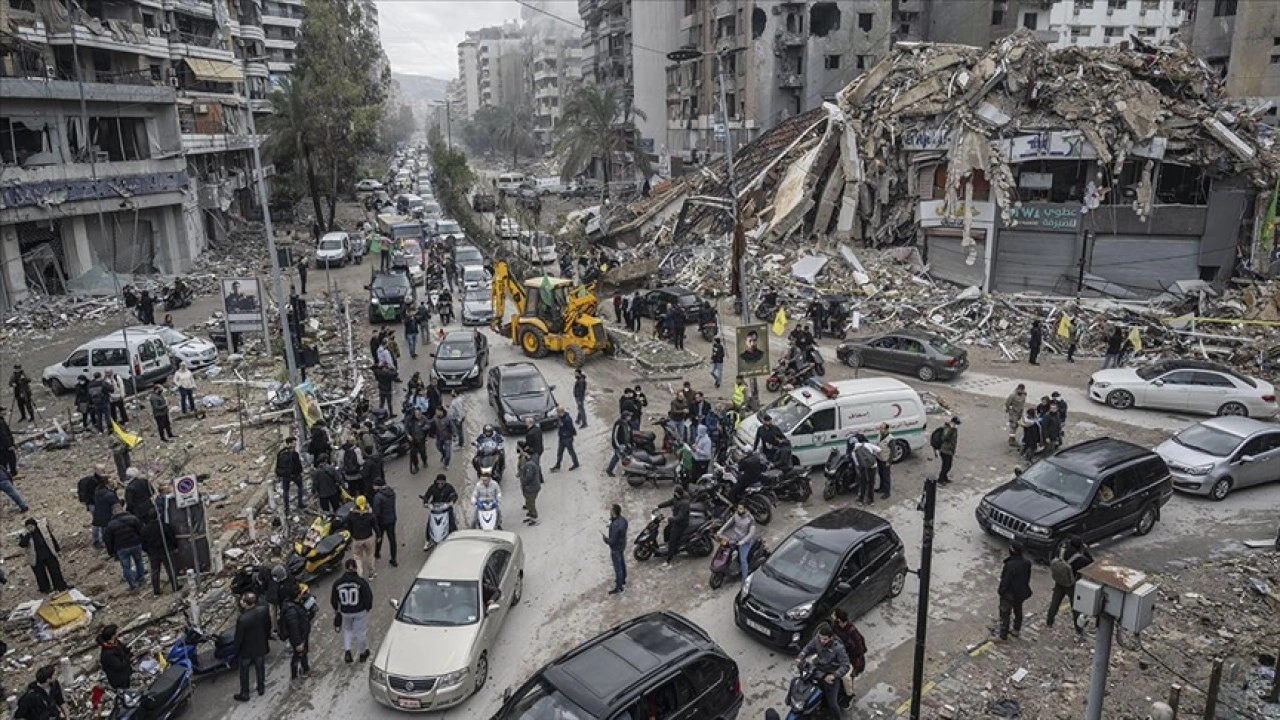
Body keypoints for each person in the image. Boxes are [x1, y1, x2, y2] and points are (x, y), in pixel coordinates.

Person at [795, 625, 851, 719]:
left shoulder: (838, 648)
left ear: (831, 638)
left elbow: (845, 665)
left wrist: (834, 675)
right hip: (817, 669)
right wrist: (800, 657)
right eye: (820, 638)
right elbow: (808, 648)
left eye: (824, 639)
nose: (821, 641)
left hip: (830, 673)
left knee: (832, 703)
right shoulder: (817, 639)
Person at [1046, 535, 1093, 637]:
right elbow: (1090, 562)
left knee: (1055, 603)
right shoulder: (1079, 559)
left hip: (1059, 582)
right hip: (1071, 585)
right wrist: (1085, 550)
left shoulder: (1061, 551)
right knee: (1075, 607)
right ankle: (1078, 629)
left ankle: (1049, 621)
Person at [332, 558, 373, 663]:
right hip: (360, 611)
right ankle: (362, 653)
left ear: (345, 568)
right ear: (356, 567)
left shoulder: (337, 583)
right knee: (361, 632)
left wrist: (336, 610)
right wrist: (367, 608)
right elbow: (368, 597)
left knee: (347, 630)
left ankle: (347, 651)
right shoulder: (361, 582)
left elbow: (334, 599)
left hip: (345, 611)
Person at [232, 593, 272, 700]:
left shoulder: (243, 619)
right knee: (260, 667)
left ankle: (245, 692)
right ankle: (261, 687)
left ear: (245, 604)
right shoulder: (263, 611)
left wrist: (235, 650)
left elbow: (239, 637)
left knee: (244, 671)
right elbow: (268, 625)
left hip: (246, 649)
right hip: (260, 645)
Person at [103, 504, 146, 591]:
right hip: (135, 544)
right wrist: (143, 542)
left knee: (126, 567)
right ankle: (141, 579)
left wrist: (111, 552)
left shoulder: (110, 525)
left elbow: (108, 540)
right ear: (122, 509)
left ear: (113, 513)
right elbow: (141, 530)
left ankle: (132, 585)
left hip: (121, 548)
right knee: (139, 561)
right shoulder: (132, 518)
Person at [19, 517, 67, 593]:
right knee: (40, 575)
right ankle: (45, 589)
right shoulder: (24, 534)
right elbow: (22, 544)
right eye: (28, 527)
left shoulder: (43, 529)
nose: (30, 528)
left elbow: (51, 538)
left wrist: (57, 549)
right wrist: (28, 535)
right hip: (35, 557)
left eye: (31, 526)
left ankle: (60, 586)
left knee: (55, 570)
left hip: (48, 552)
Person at [997, 542, 1034, 641]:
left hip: (1009, 594)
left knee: (1005, 613)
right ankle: (1016, 629)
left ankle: (1003, 635)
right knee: (1018, 611)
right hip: (1021, 593)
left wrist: (1001, 591)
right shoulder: (1027, 563)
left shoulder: (1010, 565)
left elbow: (1005, 581)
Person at [830, 609, 867, 700]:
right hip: (837, 654)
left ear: (839, 620)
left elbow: (859, 649)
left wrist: (845, 655)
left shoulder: (852, 632)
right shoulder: (835, 627)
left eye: (834, 616)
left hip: (851, 659)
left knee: (846, 678)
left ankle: (849, 696)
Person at [141, 509, 179, 595]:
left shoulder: (145, 530)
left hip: (153, 553)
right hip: (166, 550)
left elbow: (143, 544)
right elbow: (172, 537)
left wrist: (148, 551)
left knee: (155, 571)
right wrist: (175, 546)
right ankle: (175, 586)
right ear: (158, 515)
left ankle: (156, 590)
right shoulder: (164, 526)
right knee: (170, 569)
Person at [281, 585, 312, 687]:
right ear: (297, 596)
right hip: (298, 639)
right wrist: (299, 643)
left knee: (304, 652)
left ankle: (305, 669)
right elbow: (294, 629)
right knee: (297, 656)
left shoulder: (295, 604)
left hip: (302, 635)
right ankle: (294, 678)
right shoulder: (291, 611)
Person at [718, 503, 757, 581]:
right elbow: (729, 523)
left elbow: (751, 533)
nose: (739, 510)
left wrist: (743, 541)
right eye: (738, 508)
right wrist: (720, 531)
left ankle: (745, 579)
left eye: (741, 509)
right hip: (735, 538)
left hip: (745, 542)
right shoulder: (736, 515)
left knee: (743, 560)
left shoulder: (750, 520)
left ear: (746, 509)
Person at [656, 486, 691, 567]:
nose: (674, 494)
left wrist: (669, 519)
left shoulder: (684, 503)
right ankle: (667, 545)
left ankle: (668, 560)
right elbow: (670, 502)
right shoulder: (677, 498)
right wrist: (658, 506)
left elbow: (680, 516)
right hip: (675, 521)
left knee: (672, 540)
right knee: (666, 530)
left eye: (675, 493)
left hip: (681, 523)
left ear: (678, 494)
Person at [422, 473, 459, 541]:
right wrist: (425, 503)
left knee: (452, 522)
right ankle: (428, 540)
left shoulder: (449, 487)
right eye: (439, 483)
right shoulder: (432, 487)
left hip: (446, 507)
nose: (440, 485)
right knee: (430, 523)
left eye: (442, 483)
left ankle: (454, 536)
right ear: (436, 481)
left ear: (445, 482)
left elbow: (454, 495)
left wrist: (452, 502)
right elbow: (426, 496)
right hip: (435, 509)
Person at [371, 478, 398, 567]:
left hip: (381, 521)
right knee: (392, 539)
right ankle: (393, 558)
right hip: (391, 519)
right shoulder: (391, 492)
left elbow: (376, 512)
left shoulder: (378, 497)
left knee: (379, 536)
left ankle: (377, 552)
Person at [349, 495, 377, 579]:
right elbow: (375, 525)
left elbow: (346, 523)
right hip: (368, 538)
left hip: (357, 539)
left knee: (357, 557)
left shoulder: (352, 514)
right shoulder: (370, 514)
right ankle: (371, 573)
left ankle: (359, 574)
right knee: (370, 556)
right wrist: (378, 535)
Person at [98, 625, 133, 691]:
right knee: (124, 693)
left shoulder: (115, 642)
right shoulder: (108, 654)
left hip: (125, 674)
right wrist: (128, 656)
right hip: (119, 679)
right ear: (112, 636)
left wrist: (128, 650)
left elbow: (122, 649)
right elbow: (119, 666)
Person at [275, 437, 305, 511]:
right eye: (294, 443)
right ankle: (300, 504)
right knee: (300, 487)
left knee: (285, 491)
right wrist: (300, 472)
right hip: (295, 475)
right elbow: (298, 466)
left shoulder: (280, 452)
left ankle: (286, 507)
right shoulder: (294, 454)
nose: (295, 444)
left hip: (285, 476)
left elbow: (278, 465)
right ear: (290, 443)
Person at [605, 504, 627, 595]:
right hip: (622, 545)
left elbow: (612, 541)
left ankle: (619, 586)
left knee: (618, 568)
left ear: (614, 512)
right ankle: (623, 579)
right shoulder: (623, 520)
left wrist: (605, 539)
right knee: (622, 562)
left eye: (611, 510)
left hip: (615, 548)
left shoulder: (615, 526)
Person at [92, 476, 120, 549]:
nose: (113, 483)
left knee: (104, 531)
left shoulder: (98, 490)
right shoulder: (108, 494)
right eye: (111, 482)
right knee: (108, 533)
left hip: (100, 514)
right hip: (107, 516)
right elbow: (116, 504)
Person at [518, 443, 542, 526]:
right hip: (533, 487)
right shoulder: (532, 461)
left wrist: (523, 482)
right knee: (529, 502)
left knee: (531, 503)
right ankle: (531, 515)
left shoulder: (529, 465)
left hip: (531, 487)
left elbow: (528, 477)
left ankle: (534, 518)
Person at [550, 406, 580, 472]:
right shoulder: (561, 417)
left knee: (571, 452)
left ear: (561, 412)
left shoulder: (567, 419)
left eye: (558, 413)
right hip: (562, 437)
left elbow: (571, 428)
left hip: (567, 438)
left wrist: (568, 434)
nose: (557, 414)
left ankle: (576, 463)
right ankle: (558, 465)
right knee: (559, 452)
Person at [605, 412, 631, 477]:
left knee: (623, 457)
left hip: (624, 445)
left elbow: (627, 434)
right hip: (619, 445)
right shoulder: (618, 424)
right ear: (625, 417)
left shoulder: (626, 423)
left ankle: (626, 471)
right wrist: (618, 446)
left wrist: (628, 443)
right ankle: (609, 470)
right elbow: (615, 436)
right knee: (617, 457)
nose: (630, 417)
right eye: (629, 416)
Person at [406, 408, 430, 474]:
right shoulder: (409, 419)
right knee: (413, 454)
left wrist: (425, 427)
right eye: (417, 414)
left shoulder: (423, 418)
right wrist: (408, 435)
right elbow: (406, 428)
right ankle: (416, 466)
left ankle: (424, 461)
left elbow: (428, 423)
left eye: (420, 414)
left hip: (421, 439)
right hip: (412, 440)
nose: (419, 416)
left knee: (422, 452)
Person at [937, 416, 959, 486]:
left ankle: (944, 478)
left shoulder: (954, 429)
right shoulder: (948, 429)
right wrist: (951, 429)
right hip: (945, 450)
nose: (957, 425)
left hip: (949, 450)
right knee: (945, 466)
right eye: (956, 423)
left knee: (948, 465)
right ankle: (940, 480)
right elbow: (945, 437)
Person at [874, 423, 893, 499]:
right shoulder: (879, 435)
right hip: (879, 458)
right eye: (880, 428)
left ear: (886, 429)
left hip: (885, 460)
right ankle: (881, 488)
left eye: (882, 428)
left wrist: (889, 461)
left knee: (886, 476)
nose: (880, 429)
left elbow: (893, 451)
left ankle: (887, 492)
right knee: (881, 474)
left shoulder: (890, 439)